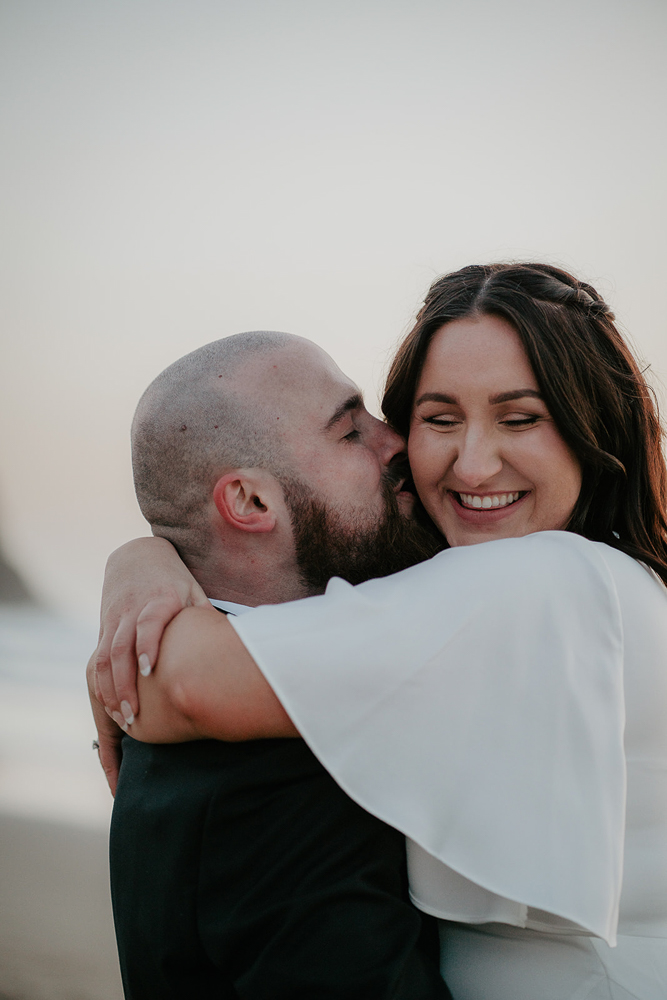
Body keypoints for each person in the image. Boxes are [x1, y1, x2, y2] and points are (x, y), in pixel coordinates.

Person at [94, 263, 667, 999]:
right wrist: (148, 555)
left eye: (519, 417)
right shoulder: (573, 578)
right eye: (436, 418)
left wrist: (139, 574)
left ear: (590, 426)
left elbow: (188, 684)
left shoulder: (540, 579)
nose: (471, 460)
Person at [92, 331, 450, 999]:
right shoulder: (274, 778)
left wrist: (138, 557)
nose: (394, 439)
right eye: (349, 431)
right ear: (251, 503)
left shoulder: (191, 722)